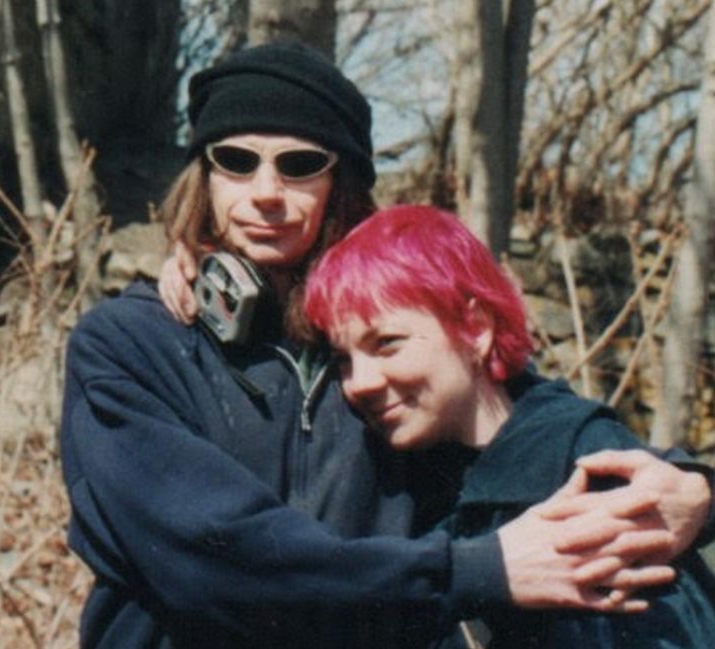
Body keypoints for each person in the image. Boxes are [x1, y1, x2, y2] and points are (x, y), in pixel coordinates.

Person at [61, 41, 713, 649]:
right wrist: (481, 569)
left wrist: (695, 489)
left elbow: (530, 426)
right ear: (203, 176)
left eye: (299, 164)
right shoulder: (128, 345)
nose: (264, 192)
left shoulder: (385, 357)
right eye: (235, 160)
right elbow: (214, 556)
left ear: (339, 184)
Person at [302, 203, 715, 648]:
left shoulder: (583, 465)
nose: (358, 383)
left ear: (475, 328)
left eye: (387, 344)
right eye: (344, 360)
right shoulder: (396, 473)